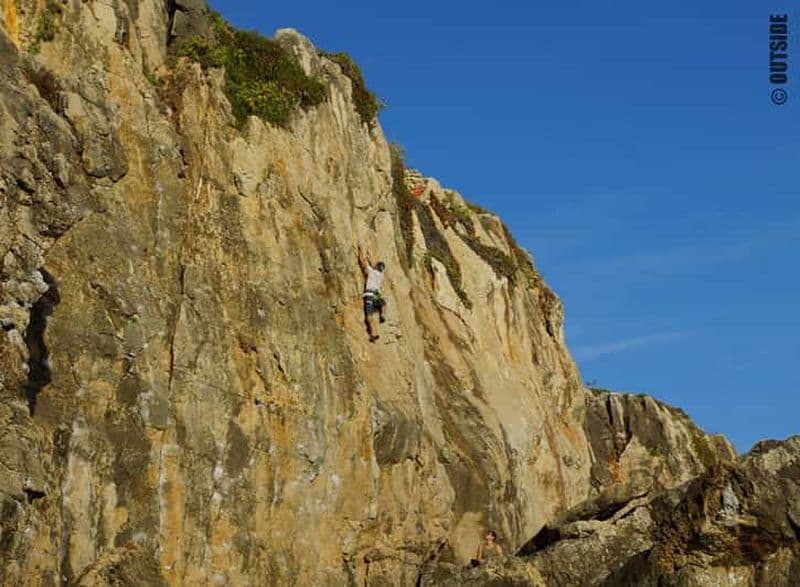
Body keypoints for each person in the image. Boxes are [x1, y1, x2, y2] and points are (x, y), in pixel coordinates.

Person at [356, 245, 387, 342]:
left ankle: (373, 334)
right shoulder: (380, 275)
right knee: (383, 303)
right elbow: (372, 264)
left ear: (376, 267)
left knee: (369, 317)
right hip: (376, 295)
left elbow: (363, 263)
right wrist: (370, 257)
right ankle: (382, 315)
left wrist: (360, 251)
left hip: (369, 295)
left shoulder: (371, 272)